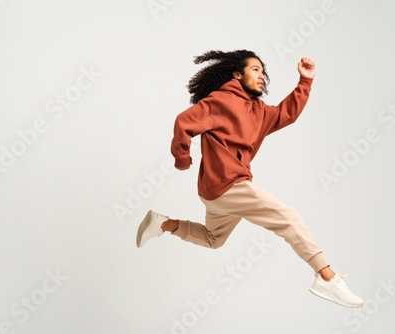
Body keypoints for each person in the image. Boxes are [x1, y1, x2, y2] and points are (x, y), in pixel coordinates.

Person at [136, 50, 363, 308]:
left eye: (263, 72)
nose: (261, 75)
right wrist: (181, 158)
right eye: (255, 70)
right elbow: (183, 122)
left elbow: (286, 113)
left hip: (215, 193)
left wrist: (304, 82)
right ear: (237, 74)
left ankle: (163, 223)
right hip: (228, 183)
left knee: (214, 239)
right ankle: (327, 277)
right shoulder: (220, 101)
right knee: (289, 218)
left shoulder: (259, 111)